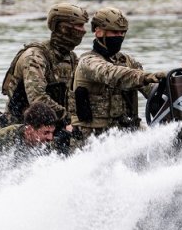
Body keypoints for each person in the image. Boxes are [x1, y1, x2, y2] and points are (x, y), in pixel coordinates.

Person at [70, 7, 164, 140]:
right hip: (93, 137)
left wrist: (164, 85)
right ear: (98, 32)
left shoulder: (126, 61)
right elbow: (112, 73)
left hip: (125, 131)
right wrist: (147, 76)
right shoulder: (88, 62)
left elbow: (151, 90)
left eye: (122, 33)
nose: (119, 37)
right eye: (114, 32)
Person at [0, 2, 89, 127]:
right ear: (63, 28)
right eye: (79, 26)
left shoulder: (71, 58)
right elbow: (37, 100)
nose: (83, 31)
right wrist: (69, 119)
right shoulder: (35, 57)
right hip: (22, 128)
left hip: (51, 126)